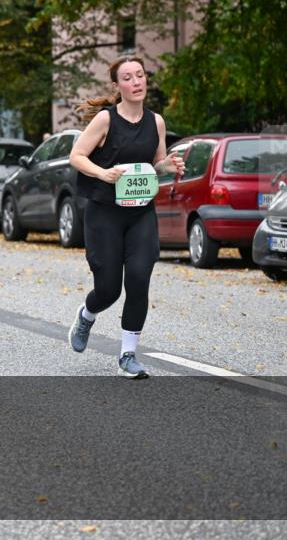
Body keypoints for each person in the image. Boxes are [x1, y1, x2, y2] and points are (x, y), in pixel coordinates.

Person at [68, 56, 184, 378]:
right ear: (118, 86)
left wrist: (168, 167)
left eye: (140, 75)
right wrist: (103, 174)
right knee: (108, 290)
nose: (136, 82)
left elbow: (155, 164)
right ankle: (87, 315)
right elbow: (76, 156)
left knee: (138, 279)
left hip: (140, 214)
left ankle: (128, 356)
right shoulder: (106, 120)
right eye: (128, 78)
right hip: (104, 214)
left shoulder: (156, 122)